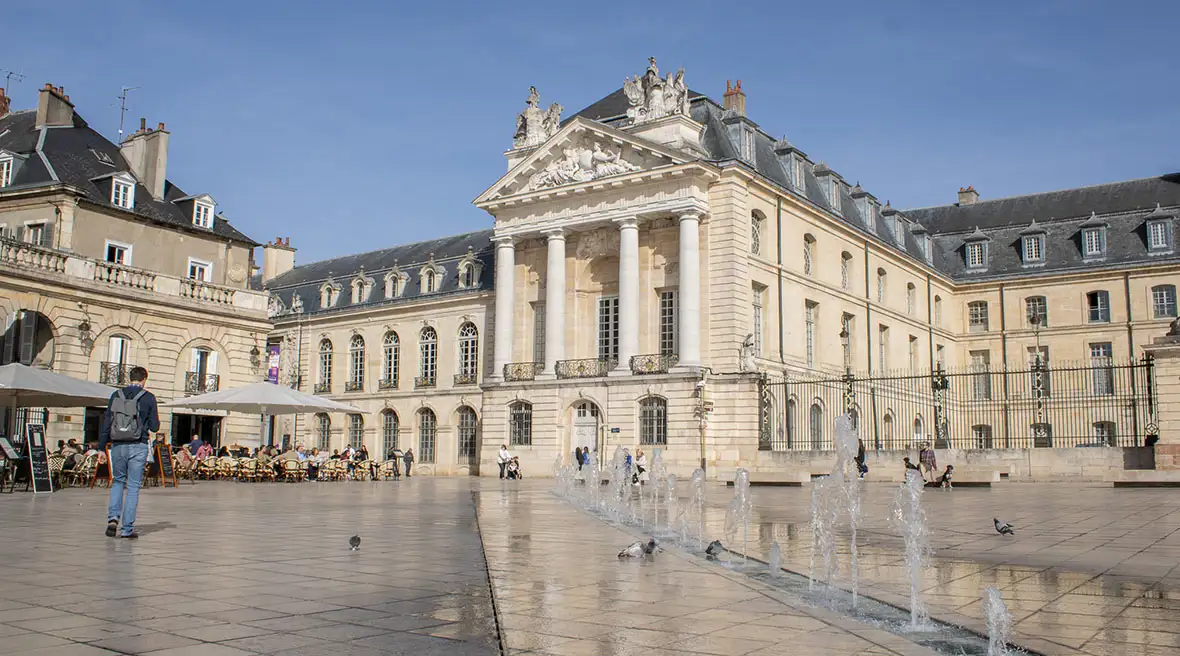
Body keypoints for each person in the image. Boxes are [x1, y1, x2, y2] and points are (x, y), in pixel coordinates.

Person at [99, 366, 159, 539]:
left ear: (130, 378)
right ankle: (126, 529)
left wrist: (102, 447)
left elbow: (108, 422)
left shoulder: (116, 395)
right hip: (138, 444)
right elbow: (155, 426)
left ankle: (112, 518)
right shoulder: (148, 398)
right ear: (144, 379)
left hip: (117, 444)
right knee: (133, 486)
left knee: (117, 481)